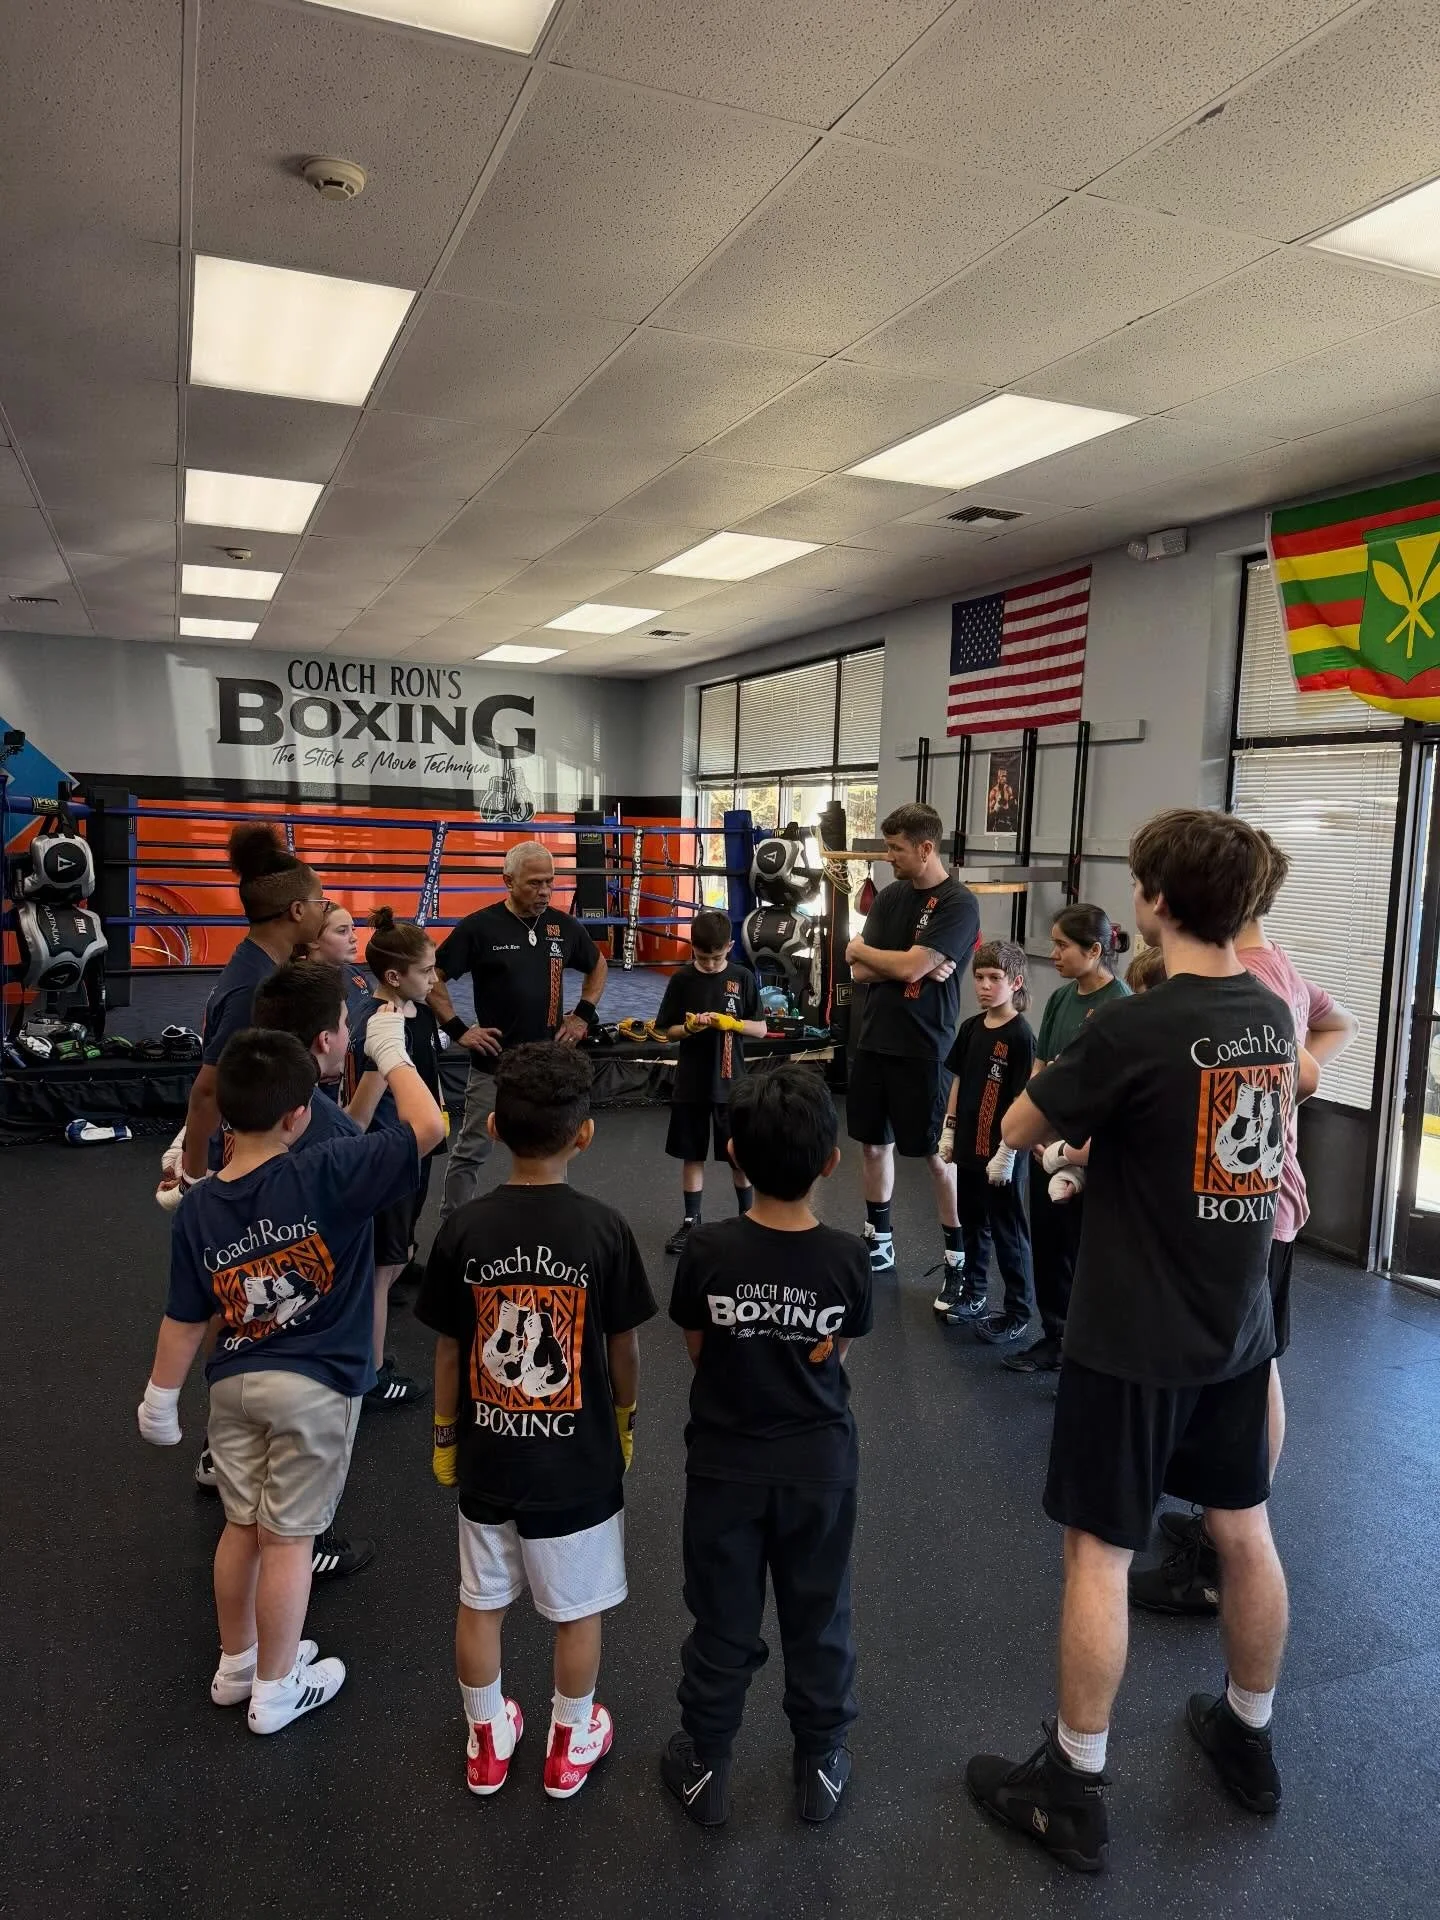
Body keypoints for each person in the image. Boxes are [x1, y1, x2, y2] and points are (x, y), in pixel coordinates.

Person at [967, 807, 1299, 1873]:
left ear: (1154, 904)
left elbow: (1021, 1126)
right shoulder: (1268, 1012)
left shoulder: (1135, 1026)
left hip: (1135, 1338)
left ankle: (1072, 1783)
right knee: (1242, 1530)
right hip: (1238, 1331)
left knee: (1099, 1552)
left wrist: (1074, 1115)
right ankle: (1247, 1736)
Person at [136, 1015, 445, 1734]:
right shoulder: (326, 1168)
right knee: (290, 1540)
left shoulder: (199, 1205)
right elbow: (426, 1127)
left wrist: (160, 1398)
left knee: (241, 1526)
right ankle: (276, 1689)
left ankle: (237, 1664)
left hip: (234, 1385)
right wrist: (391, 1050)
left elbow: (184, 1317)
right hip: (315, 1386)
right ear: (298, 1115)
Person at [416, 1044, 656, 1802]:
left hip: (489, 1458)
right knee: (576, 1611)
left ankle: (487, 1741)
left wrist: (446, 1435)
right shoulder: (606, 1230)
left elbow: (451, 1353)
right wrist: (624, 1419)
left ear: (492, 1125)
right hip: (577, 1464)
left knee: (480, 1601)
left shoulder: (465, 1230)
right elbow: (625, 1347)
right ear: (584, 1135)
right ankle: (568, 1741)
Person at [1131, 827, 1357, 1615]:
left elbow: (1322, 1036)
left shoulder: (1252, 977)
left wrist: (1297, 1081)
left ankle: (1228, 1532)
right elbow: (1332, 1022)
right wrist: (1297, 1081)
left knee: (1250, 1371)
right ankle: (1224, 1523)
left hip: (1254, 1208)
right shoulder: (1277, 967)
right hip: (1260, 1199)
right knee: (1249, 1366)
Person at [663, 1068, 872, 1830]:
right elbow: (834, 1349)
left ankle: (707, 1764)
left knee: (722, 1616)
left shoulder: (709, 1249)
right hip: (819, 1466)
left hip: (725, 1463)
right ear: (831, 1162)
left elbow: (699, 1347)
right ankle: (820, 1762)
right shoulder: (849, 1258)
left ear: (732, 1158)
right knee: (819, 1613)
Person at [165, 825, 327, 1490]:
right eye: (319, 902)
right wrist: (196, 1172)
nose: (325, 909)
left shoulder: (274, 972)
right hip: (244, 1163)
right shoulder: (245, 987)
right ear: (295, 911)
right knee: (236, 1304)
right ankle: (220, 1449)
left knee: (271, 1303)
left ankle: (249, 1440)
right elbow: (210, 1086)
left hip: (273, 1156)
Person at [247, 958, 382, 1581]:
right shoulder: (325, 1132)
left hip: (253, 1324)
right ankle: (278, 1667)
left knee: (246, 1512)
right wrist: (396, 1063)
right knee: (293, 1528)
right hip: (320, 1342)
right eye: (346, 1025)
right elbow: (416, 1139)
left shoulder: (253, 1100)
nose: (351, 1035)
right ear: (325, 1040)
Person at [428, 841, 607, 1223]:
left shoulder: (563, 926)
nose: (544, 891)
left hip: (548, 1064)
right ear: (508, 881)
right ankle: (452, 1226)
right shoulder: (479, 928)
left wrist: (582, 1016)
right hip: (495, 1061)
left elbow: (598, 964)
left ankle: (547, 1222)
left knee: (554, 1148)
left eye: (550, 882)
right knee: (472, 1148)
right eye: (534, 883)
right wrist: (458, 1029)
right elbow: (432, 977)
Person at [843, 802, 980, 1280]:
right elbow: (859, 969)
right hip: (876, 1038)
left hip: (924, 1047)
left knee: (936, 1156)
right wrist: (897, 961)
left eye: (896, 848)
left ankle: (957, 1253)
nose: (888, 856)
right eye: (887, 846)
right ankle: (879, 1240)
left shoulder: (959, 903)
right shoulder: (890, 897)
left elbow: (904, 967)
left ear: (926, 848)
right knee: (872, 1145)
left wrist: (881, 957)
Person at [1004, 905, 1130, 1375]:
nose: (1052, 953)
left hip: (1083, 1152)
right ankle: (1055, 1337)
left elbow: (1112, 1095)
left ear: (1095, 950)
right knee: (1050, 1245)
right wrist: (1027, 1134)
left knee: (1084, 1251)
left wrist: (1070, 1149)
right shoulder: (1060, 1000)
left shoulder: (1120, 1006)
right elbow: (1040, 1074)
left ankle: (1089, 1352)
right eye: (1053, 943)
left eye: (1062, 946)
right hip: (1044, 1144)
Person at [346, 909, 443, 1408]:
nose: (434, 978)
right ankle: (373, 1376)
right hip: (388, 1161)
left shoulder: (400, 1013)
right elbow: (358, 1116)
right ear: (393, 977)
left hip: (401, 1157)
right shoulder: (383, 1025)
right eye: (426, 971)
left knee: (392, 1261)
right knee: (380, 1274)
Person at [936, 940, 1035, 1346]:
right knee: (974, 1224)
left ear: (1014, 982)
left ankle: (1018, 1311)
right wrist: (949, 1127)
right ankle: (975, 1294)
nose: (985, 985)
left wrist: (1008, 1150)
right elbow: (958, 1079)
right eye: (979, 977)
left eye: (995, 978)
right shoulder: (971, 1028)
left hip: (1002, 1152)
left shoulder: (1020, 1035)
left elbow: (1022, 1097)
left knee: (1008, 1232)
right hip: (969, 1148)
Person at [653, 908, 767, 1255]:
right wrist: (687, 1028)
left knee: (740, 1157)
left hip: (732, 1084)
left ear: (729, 947)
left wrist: (730, 1024)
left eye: (717, 957)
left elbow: (760, 1029)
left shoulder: (743, 977)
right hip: (691, 1082)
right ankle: (691, 1222)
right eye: (703, 957)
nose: (711, 963)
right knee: (692, 1155)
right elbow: (664, 1031)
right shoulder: (682, 980)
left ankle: (748, 1218)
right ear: (693, 948)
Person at [303, 903, 371, 1040]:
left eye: (353, 929)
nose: (354, 938)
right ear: (313, 940)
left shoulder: (355, 975)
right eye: (342, 931)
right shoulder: (300, 988)